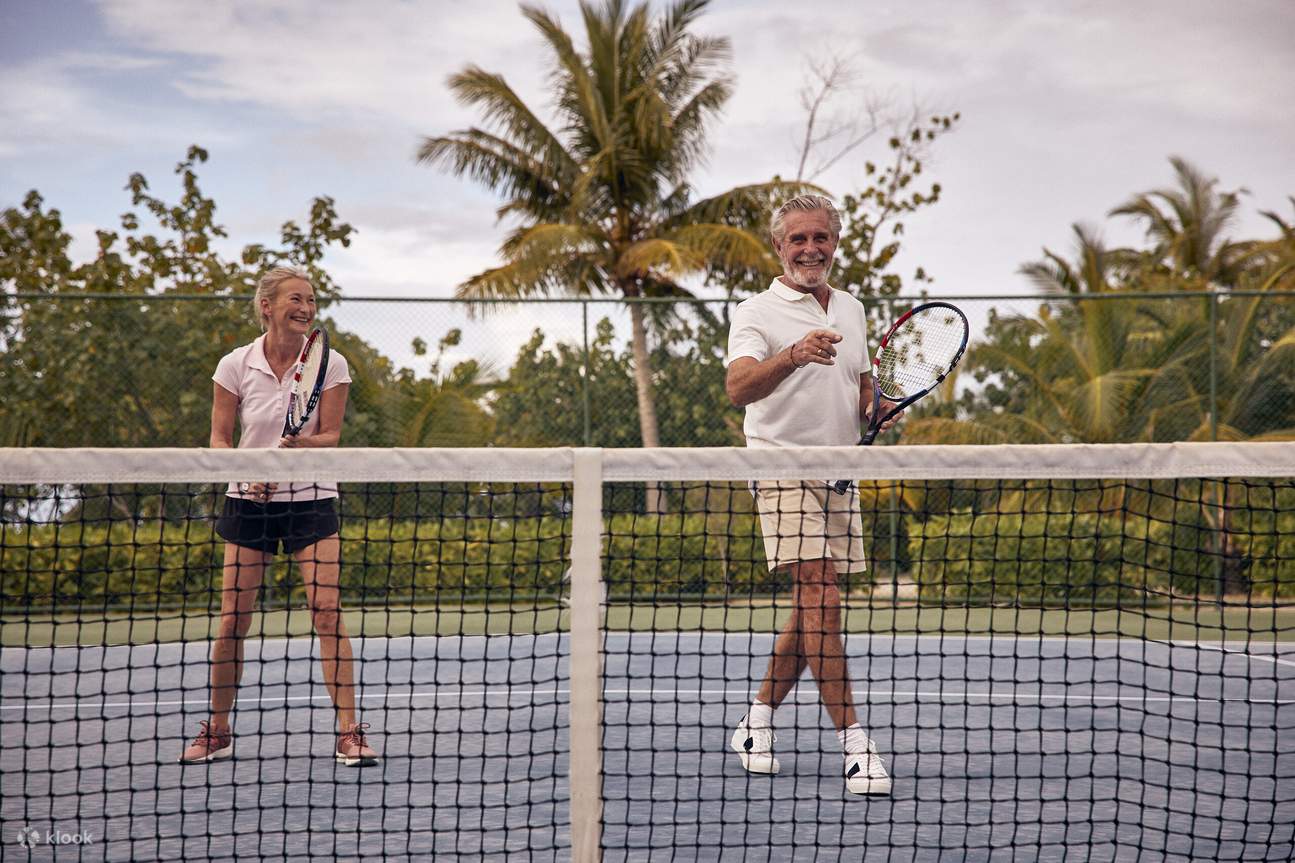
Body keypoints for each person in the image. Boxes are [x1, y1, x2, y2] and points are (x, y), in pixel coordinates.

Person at [724, 195, 899, 795]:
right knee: (820, 590)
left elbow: (862, 389)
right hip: (779, 465)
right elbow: (738, 387)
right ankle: (855, 744)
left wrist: (877, 408)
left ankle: (757, 719)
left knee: (813, 604)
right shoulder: (756, 311)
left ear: (834, 243)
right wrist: (793, 355)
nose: (809, 249)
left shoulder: (851, 309)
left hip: (839, 472)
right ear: (779, 247)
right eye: (797, 239)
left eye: (819, 238)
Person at [179, 265, 378, 767]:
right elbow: (220, 440)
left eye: (311, 300)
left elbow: (330, 436)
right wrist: (247, 476)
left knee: (327, 612)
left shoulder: (331, 364)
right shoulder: (234, 365)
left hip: (311, 499)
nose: (306, 308)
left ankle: (349, 731)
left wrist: (301, 444)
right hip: (249, 506)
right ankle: (218, 729)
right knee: (233, 621)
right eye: (295, 298)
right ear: (267, 305)